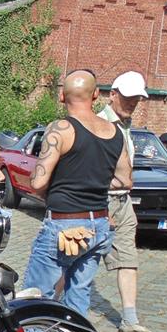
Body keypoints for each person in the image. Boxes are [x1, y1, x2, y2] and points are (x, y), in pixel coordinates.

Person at [21, 69, 132, 316]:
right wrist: (94, 182)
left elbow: (38, 183)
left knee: (36, 299)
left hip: (65, 224)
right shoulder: (116, 132)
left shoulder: (61, 128)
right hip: (99, 225)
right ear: (96, 94)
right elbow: (125, 180)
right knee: (79, 296)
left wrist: (65, 181)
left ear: (62, 96)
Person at [97, 71, 165, 332]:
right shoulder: (100, 124)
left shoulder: (125, 125)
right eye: (127, 97)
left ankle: (130, 321)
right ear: (112, 94)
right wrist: (103, 208)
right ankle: (46, 311)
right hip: (102, 201)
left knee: (128, 260)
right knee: (77, 259)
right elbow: (93, 170)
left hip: (123, 202)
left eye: (136, 98)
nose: (133, 103)